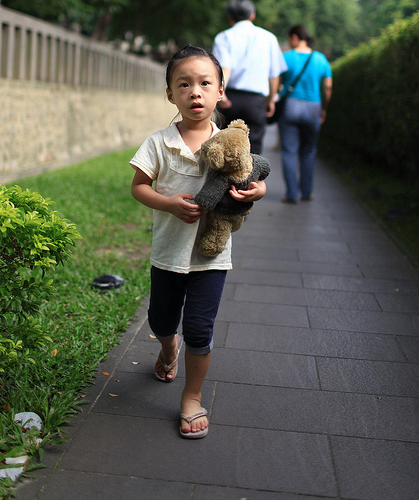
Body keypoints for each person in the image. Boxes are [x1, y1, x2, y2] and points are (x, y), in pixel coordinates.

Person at [130, 45, 266, 439]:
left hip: (211, 256)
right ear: (170, 94)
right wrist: (169, 203)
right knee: (161, 320)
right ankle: (167, 348)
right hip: (169, 253)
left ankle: (191, 397)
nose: (195, 92)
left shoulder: (231, 142)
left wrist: (256, 192)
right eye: (184, 84)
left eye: (205, 83)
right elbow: (139, 187)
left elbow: (253, 176)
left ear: (220, 91)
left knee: (200, 329)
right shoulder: (159, 143)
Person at [212, 0, 287, 154]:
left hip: (230, 99)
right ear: (252, 15)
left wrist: (221, 92)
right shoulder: (269, 38)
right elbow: (274, 75)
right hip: (256, 102)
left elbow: (224, 68)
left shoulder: (223, 37)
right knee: (254, 150)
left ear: (230, 17)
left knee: (225, 149)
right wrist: (270, 100)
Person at [278, 25, 333, 203]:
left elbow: (277, 82)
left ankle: (291, 194)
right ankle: (307, 191)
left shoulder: (286, 57)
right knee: (308, 151)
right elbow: (328, 87)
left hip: (290, 107)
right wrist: (324, 108)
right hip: (313, 108)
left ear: (294, 37)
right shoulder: (320, 59)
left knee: (289, 152)